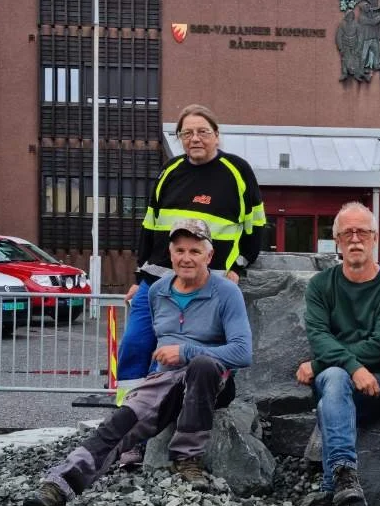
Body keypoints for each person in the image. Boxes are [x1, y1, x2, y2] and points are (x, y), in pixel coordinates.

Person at [25, 219, 251, 506]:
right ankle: (60, 485)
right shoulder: (157, 291)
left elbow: (243, 352)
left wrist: (185, 351)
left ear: (209, 256)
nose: (186, 258)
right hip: (165, 381)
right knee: (122, 421)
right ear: (170, 253)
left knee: (202, 365)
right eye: (180, 250)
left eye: (195, 251)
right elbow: (148, 345)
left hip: (211, 381)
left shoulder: (227, 293)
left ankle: (187, 458)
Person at [114, 103, 266, 417]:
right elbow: (149, 228)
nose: (194, 139)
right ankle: (127, 417)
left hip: (206, 285)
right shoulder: (170, 172)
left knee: (192, 355)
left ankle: (180, 415)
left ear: (217, 136)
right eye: (187, 133)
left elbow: (257, 227)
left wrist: (239, 266)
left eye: (202, 132)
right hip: (156, 281)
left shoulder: (238, 172)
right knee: (134, 346)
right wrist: (137, 277)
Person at [295, 202, 380, 506]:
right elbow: (318, 336)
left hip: (378, 384)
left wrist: (320, 364)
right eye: (347, 233)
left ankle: (333, 492)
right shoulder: (320, 286)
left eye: (362, 233)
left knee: (329, 372)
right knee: (333, 377)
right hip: (338, 384)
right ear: (338, 242)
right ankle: (345, 474)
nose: (355, 239)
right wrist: (350, 367)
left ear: (374, 238)